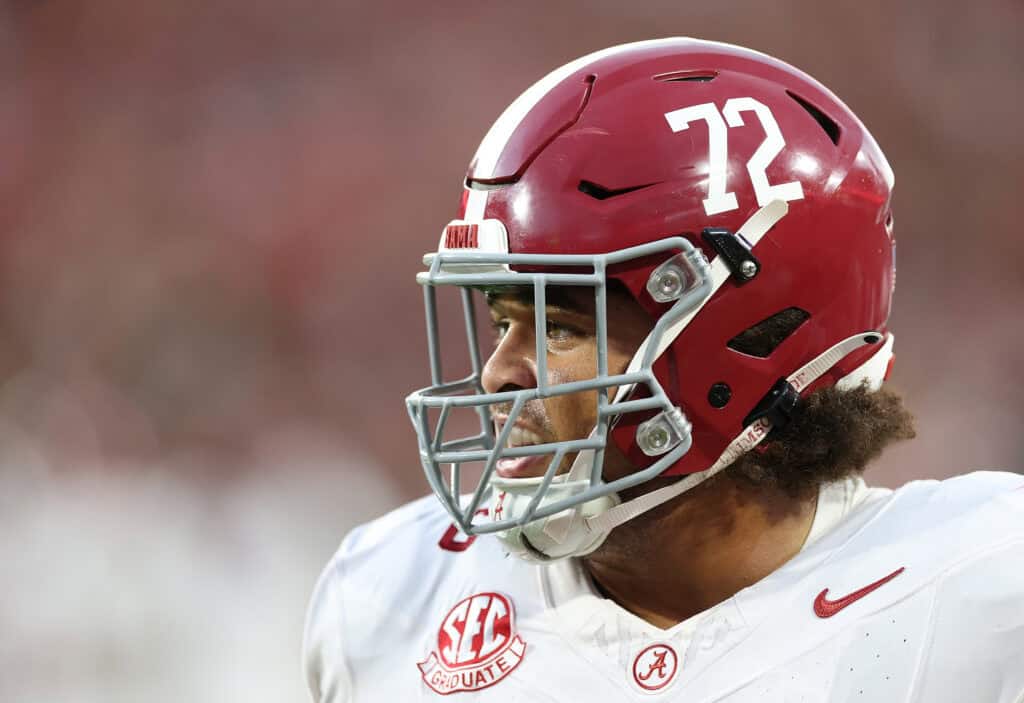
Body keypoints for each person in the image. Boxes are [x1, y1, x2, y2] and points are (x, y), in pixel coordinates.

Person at [303, 38, 1024, 701]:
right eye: (502, 321)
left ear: (746, 341)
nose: (498, 373)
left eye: (558, 326)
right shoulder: (390, 594)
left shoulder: (985, 588)